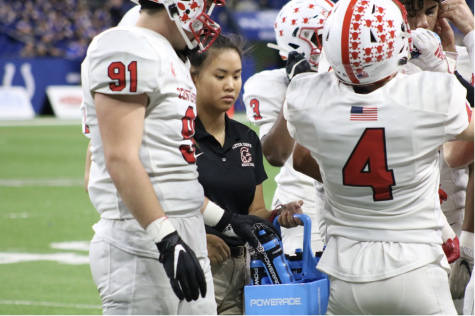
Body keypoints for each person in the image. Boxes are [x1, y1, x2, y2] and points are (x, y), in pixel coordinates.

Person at [81, 0, 279, 314]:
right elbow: (119, 157)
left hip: (181, 230)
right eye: (205, 7)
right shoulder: (127, 46)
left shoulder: (169, 57)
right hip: (143, 236)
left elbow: (172, 169)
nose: (207, 18)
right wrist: (166, 239)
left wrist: (226, 221)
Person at [284, 0, 474, 314]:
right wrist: (448, 66)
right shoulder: (430, 87)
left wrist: (347, 184)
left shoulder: (316, 88)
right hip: (415, 259)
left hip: (345, 261)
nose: (423, 25)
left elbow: (283, 155)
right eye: (411, 15)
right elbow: (457, 153)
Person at [188, 33, 303, 315]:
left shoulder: (247, 137)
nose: (231, 85)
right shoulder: (181, 136)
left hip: (246, 272)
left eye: (237, 76)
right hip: (197, 267)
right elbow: (165, 201)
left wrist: (278, 215)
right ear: (193, 78)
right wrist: (197, 240)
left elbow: (255, 211)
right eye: (220, 76)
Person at [243, 0, 334, 255]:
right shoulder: (269, 85)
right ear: (302, 39)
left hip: (348, 201)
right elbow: (276, 155)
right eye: (324, 35)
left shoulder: (348, 79)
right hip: (300, 208)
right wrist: (296, 89)